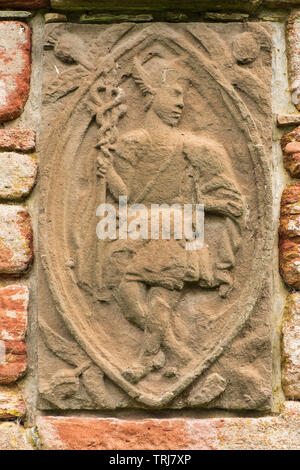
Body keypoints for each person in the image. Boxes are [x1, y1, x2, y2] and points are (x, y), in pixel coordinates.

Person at [97, 58, 244, 383]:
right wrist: (107, 172)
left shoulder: (198, 149)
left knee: (162, 295)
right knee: (126, 293)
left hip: (176, 231)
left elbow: (233, 203)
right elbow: (126, 197)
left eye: (184, 97)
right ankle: (180, 352)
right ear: (151, 95)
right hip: (139, 229)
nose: (181, 103)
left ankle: (146, 361)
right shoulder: (132, 143)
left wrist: (196, 204)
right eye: (175, 94)